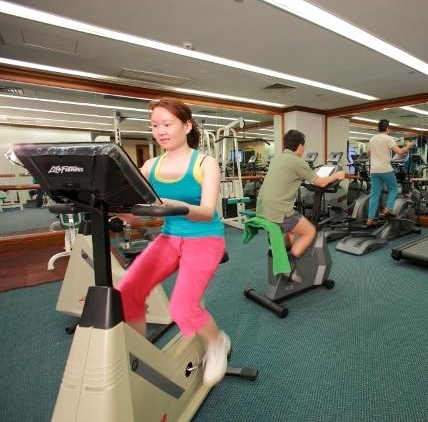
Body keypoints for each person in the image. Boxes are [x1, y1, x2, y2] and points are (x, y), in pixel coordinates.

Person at [116, 97, 229, 387]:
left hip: (204, 238)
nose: (160, 131)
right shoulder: (149, 166)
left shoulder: (205, 163)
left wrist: (170, 204)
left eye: (167, 124)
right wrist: (115, 209)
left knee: (182, 308)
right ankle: (140, 353)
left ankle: (217, 342)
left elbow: (206, 212)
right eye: (155, 125)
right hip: (169, 237)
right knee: (127, 290)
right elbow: (135, 212)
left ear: (186, 126)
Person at [256, 129, 345, 268]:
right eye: (304, 145)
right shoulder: (298, 162)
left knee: (292, 231)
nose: (304, 149)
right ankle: (290, 264)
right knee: (310, 231)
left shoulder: (276, 159)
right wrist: (337, 175)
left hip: (262, 208)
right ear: (299, 145)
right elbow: (321, 182)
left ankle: (282, 249)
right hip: (279, 211)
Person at [366, 119, 415, 227]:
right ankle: (388, 208)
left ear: (378, 128)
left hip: (374, 170)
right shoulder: (388, 138)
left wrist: (377, 152)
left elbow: (368, 153)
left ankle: (370, 219)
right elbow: (400, 152)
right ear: (387, 128)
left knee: (374, 194)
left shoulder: (372, 139)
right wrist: (409, 146)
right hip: (385, 169)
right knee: (393, 188)